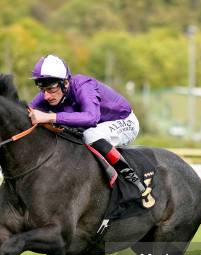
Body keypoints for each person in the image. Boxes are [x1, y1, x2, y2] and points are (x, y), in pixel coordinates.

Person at [28, 54, 145, 193]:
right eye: (43, 90)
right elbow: (27, 112)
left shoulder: (84, 86)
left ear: (65, 83)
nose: (46, 96)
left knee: (90, 135)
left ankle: (129, 178)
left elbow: (91, 118)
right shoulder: (50, 91)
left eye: (51, 90)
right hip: (97, 127)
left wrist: (50, 117)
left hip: (124, 122)